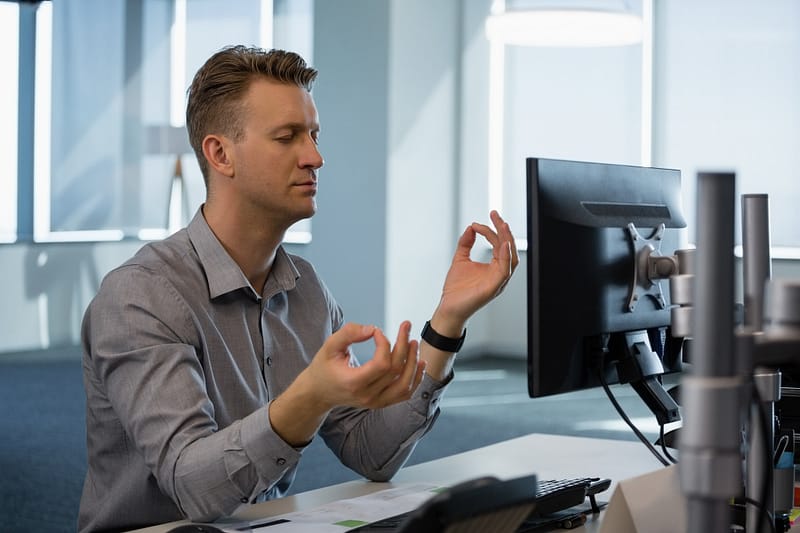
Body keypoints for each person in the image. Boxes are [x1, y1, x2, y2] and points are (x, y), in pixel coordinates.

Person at [78, 45, 518, 532]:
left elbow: (371, 452)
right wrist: (308, 398)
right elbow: (192, 487)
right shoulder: (140, 296)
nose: (315, 157)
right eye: (287, 137)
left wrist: (448, 322)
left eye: (313, 135)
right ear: (220, 154)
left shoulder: (305, 288)